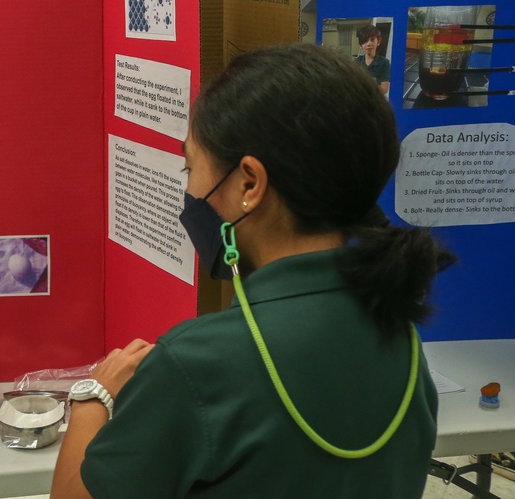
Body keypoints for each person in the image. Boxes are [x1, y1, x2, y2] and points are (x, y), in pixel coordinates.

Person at [52, 43, 453, 499]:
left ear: (249, 183)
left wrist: (93, 396)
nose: (189, 189)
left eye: (189, 168)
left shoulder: (194, 363)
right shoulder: (402, 339)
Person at [354, 24, 390, 95]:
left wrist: (365, 85)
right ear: (361, 46)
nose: (368, 44)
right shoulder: (355, 63)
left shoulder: (384, 63)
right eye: (365, 41)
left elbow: (385, 89)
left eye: (372, 40)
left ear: (378, 42)